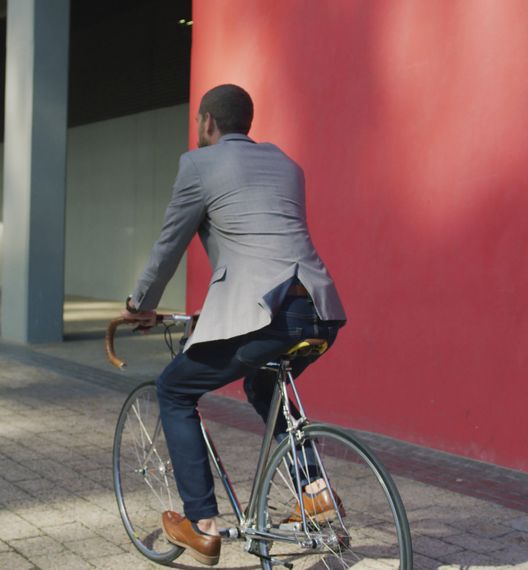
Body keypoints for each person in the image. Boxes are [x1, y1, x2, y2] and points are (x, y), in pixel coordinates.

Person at [122, 84, 346, 566]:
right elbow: (260, 247)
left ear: (207, 122)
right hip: (320, 311)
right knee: (264, 389)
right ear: (248, 122)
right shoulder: (287, 166)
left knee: (175, 390)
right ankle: (316, 489)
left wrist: (141, 303)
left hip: (268, 314)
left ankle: (201, 525)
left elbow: (169, 245)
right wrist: (219, 312)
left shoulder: (197, 165)